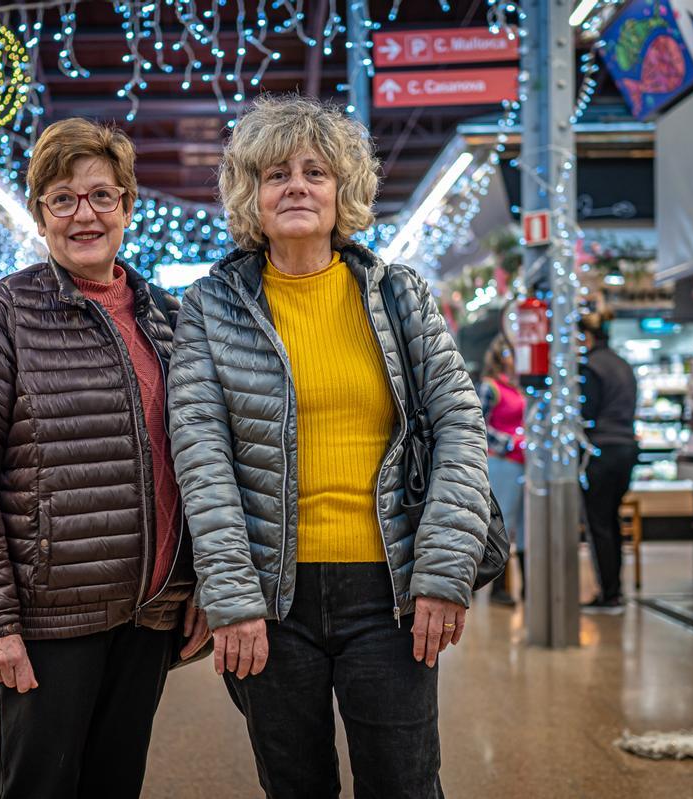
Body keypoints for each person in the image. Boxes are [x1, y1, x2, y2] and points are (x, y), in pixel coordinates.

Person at [167, 95, 491, 799]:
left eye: (316, 171)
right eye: (276, 173)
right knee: (294, 783)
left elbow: (462, 423)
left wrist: (443, 569)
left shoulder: (398, 296)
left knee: (404, 782)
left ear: (343, 189)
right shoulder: (210, 307)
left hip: (390, 588)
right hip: (270, 597)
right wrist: (230, 596)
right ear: (250, 193)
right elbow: (202, 458)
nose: (296, 186)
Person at [0, 118, 209, 799]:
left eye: (102, 196)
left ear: (127, 207)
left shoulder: (168, 319)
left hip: (148, 616)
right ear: (40, 213)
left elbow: (201, 458)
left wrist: (200, 581)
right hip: (50, 621)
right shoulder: (5, 314)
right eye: (63, 198)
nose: (85, 213)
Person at [579, 311, 640, 614]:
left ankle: (609, 595)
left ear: (587, 338)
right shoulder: (623, 365)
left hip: (601, 450)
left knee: (598, 523)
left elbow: (586, 413)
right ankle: (616, 590)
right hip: (627, 449)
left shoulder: (590, 366)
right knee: (612, 520)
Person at [479, 336, 526, 606]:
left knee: (519, 525)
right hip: (501, 462)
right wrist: (509, 443)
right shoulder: (490, 387)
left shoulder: (518, 386)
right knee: (502, 524)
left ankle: (524, 587)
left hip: (522, 462)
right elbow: (479, 425)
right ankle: (498, 588)